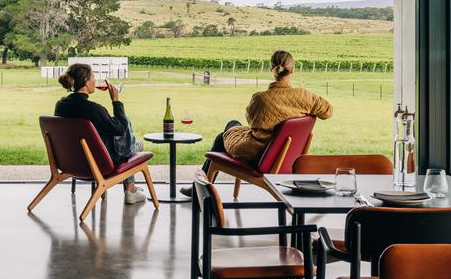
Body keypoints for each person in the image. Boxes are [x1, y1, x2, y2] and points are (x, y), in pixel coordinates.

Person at [181, 50, 333, 196]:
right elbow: (328, 111)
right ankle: (199, 188)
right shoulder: (306, 96)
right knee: (232, 124)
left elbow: (252, 123)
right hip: (288, 157)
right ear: (292, 70)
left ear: (271, 69)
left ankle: (199, 189)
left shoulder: (260, 99)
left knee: (223, 135)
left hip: (259, 155)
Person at [54, 63, 147, 205]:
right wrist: (116, 101)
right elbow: (120, 129)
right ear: (86, 81)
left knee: (123, 133)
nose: (95, 81)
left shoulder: (60, 105)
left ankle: (133, 150)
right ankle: (131, 177)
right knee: (125, 122)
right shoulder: (94, 110)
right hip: (97, 163)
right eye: (93, 76)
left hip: (71, 162)